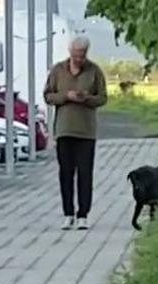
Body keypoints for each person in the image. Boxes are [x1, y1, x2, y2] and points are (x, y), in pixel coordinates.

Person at [43, 36, 107, 230]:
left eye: (83, 55)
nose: (79, 59)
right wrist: (65, 96)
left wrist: (86, 98)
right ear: (70, 52)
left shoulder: (94, 71)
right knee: (66, 173)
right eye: (76, 55)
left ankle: (83, 215)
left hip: (86, 131)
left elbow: (103, 98)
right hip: (64, 129)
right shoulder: (58, 70)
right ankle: (68, 213)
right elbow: (48, 95)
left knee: (85, 173)